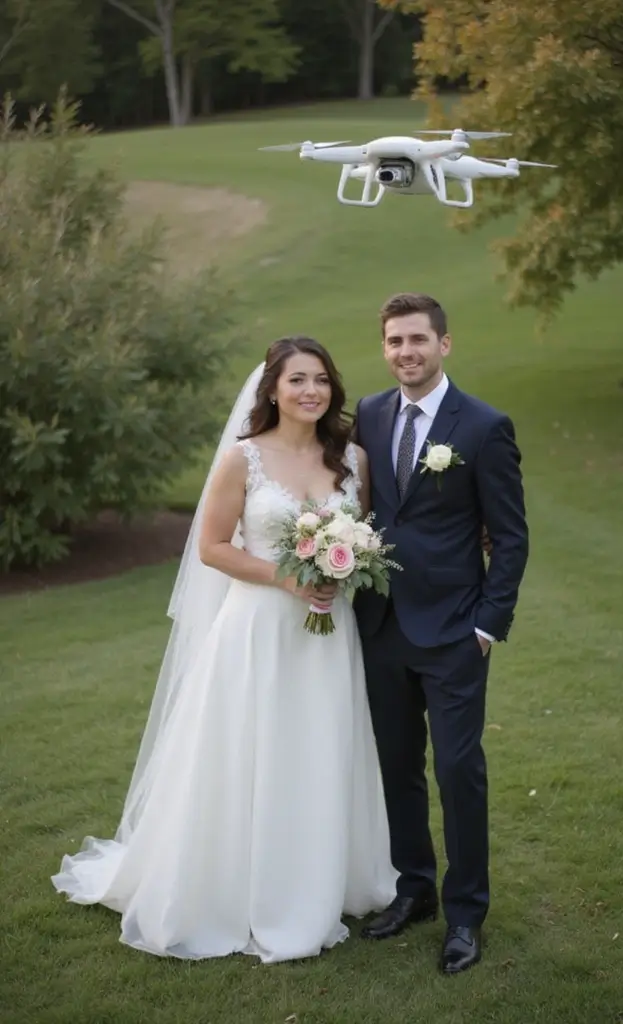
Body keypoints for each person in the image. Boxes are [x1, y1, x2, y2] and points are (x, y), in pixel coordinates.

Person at [51, 336, 397, 963]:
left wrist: (338, 572)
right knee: (249, 749)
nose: (310, 391)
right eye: (296, 380)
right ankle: (234, 886)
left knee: (319, 745)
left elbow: (364, 537)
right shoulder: (244, 459)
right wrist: (288, 577)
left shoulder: (354, 459)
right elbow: (212, 547)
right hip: (258, 629)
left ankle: (322, 878)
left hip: (325, 633)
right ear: (272, 389)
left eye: (320, 379)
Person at [354, 292, 529, 975]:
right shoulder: (369, 415)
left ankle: (465, 914)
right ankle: (414, 889)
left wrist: (489, 624)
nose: (406, 352)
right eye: (395, 341)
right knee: (396, 768)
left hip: (456, 631)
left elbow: (511, 538)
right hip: (382, 625)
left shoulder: (484, 426)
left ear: (445, 344)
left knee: (458, 772)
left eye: (418, 340)